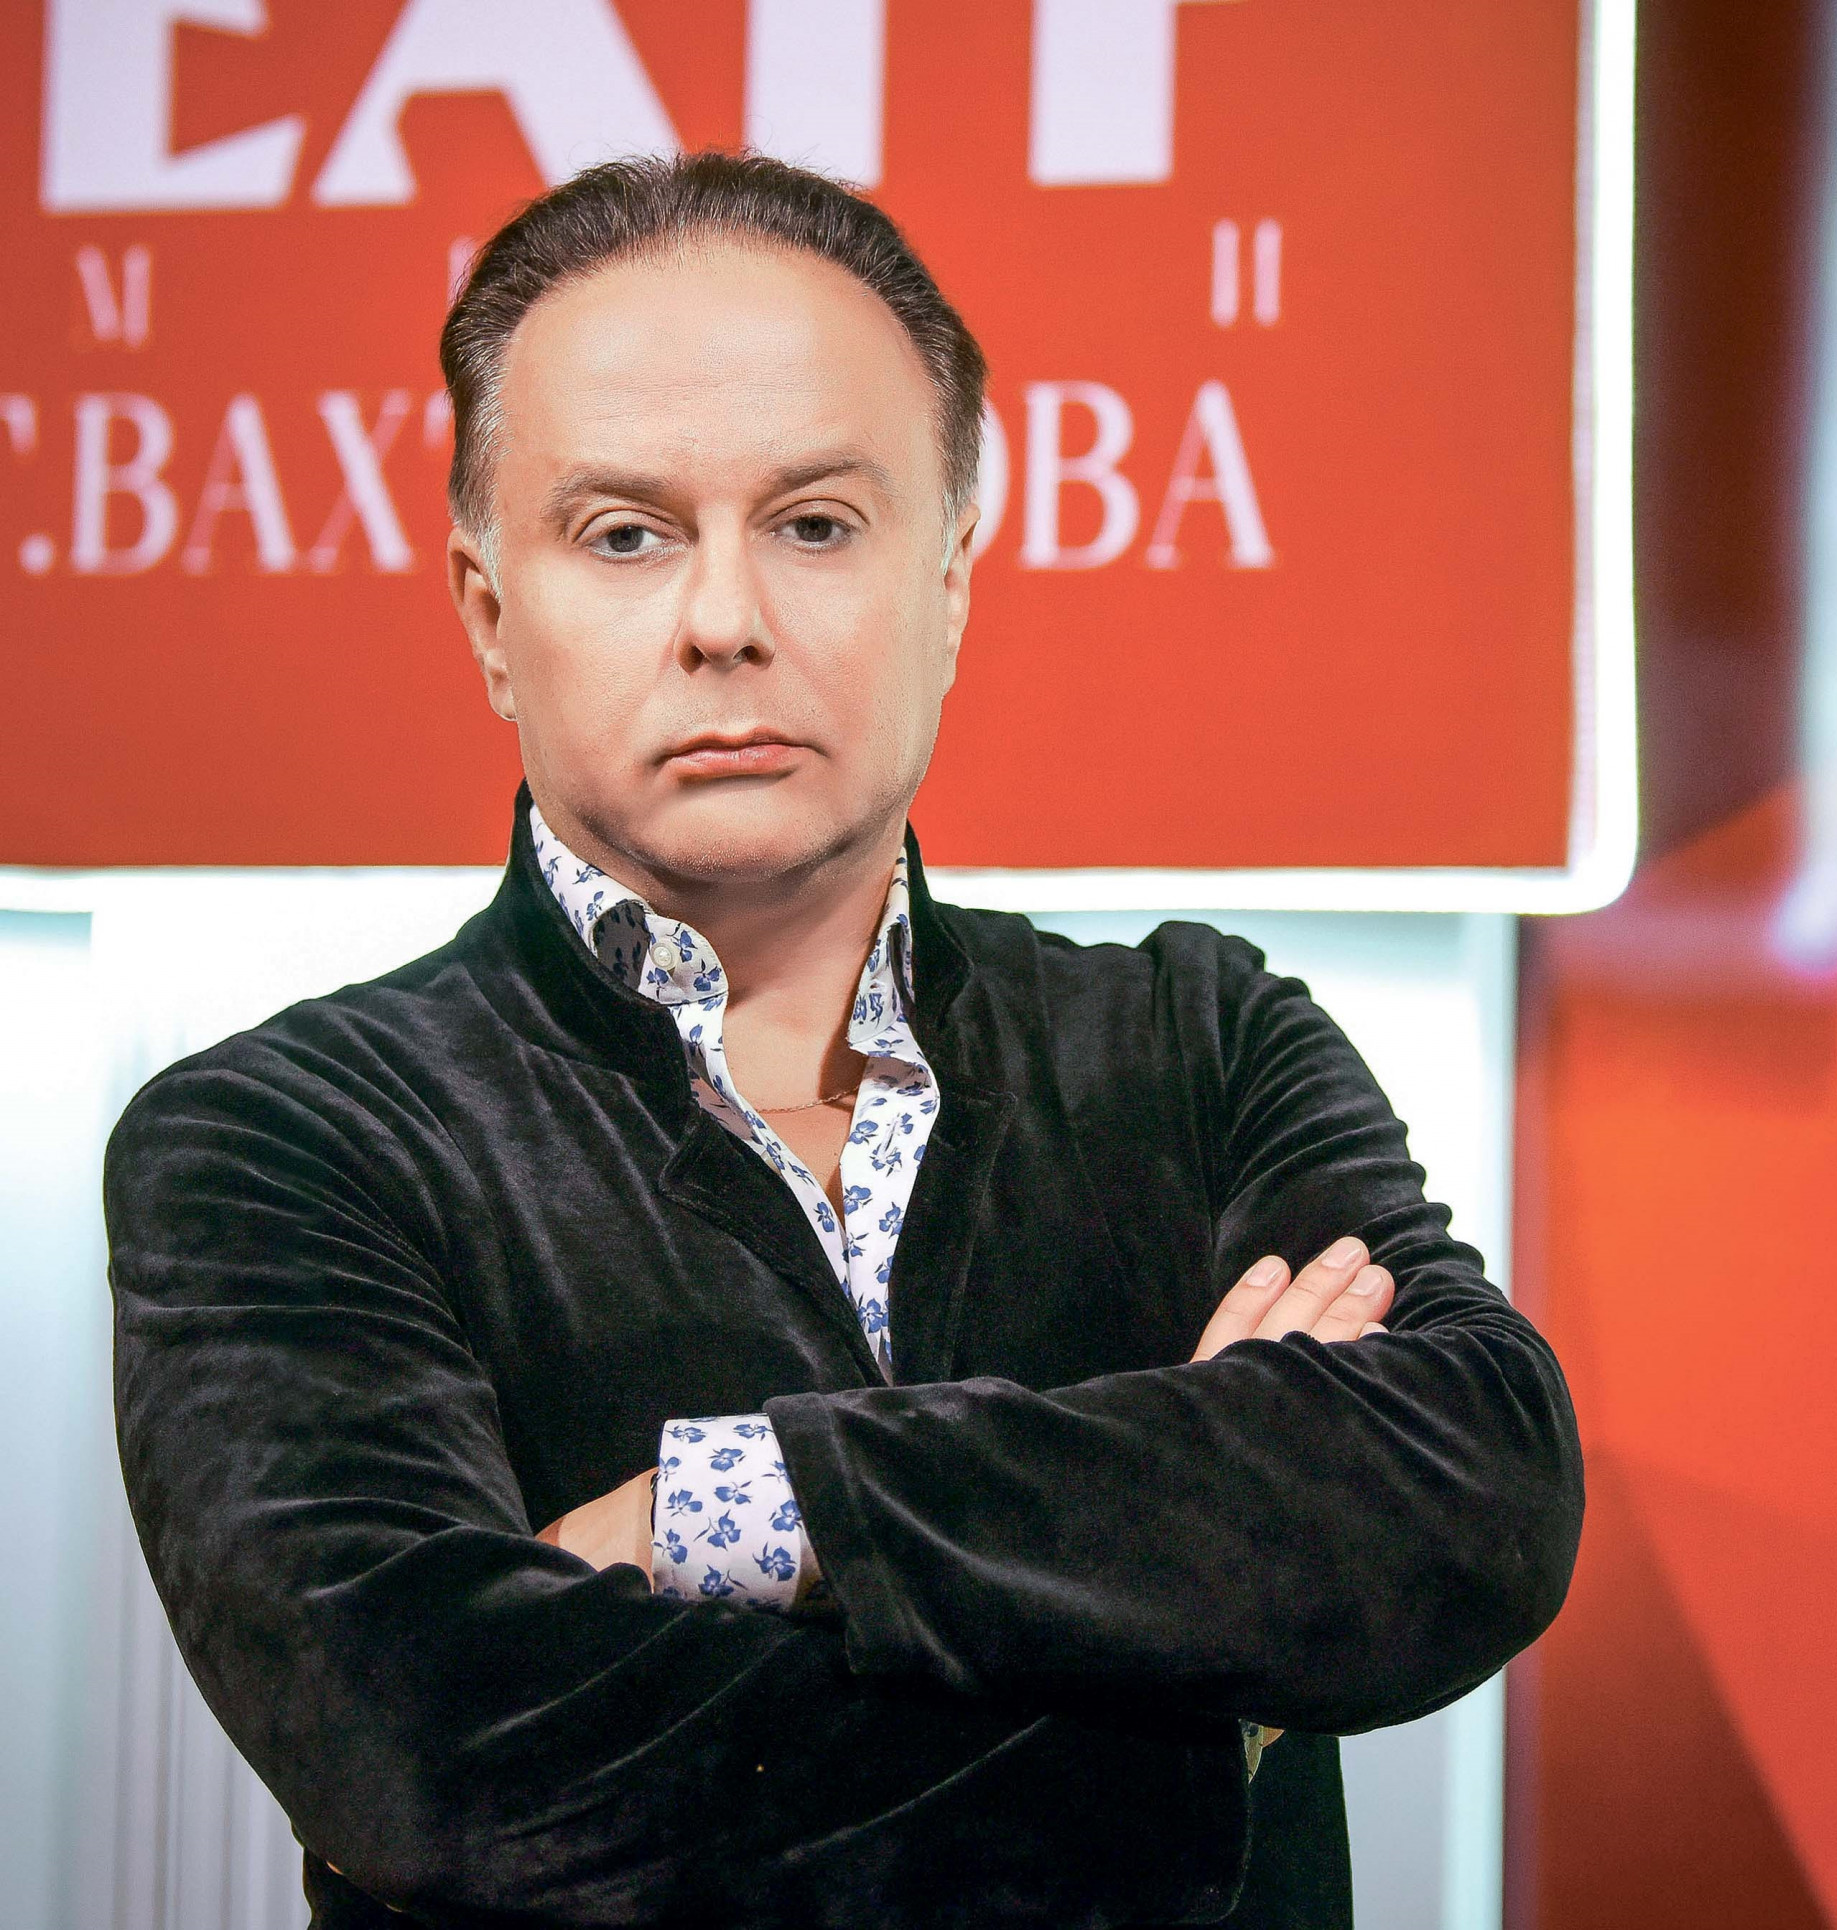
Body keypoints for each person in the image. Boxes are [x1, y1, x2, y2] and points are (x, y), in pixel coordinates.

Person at [105, 151, 1582, 1930]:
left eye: (813, 523)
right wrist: (1199, 1693)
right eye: (626, 534)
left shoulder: (1197, 1038)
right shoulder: (280, 1138)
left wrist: (749, 1505)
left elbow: (1475, 1481)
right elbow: (434, 1750)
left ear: (948, 582)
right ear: (492, 618)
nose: (726, 620)